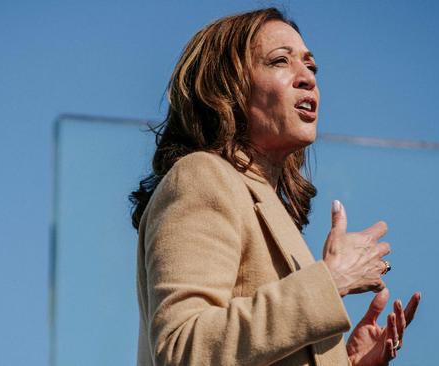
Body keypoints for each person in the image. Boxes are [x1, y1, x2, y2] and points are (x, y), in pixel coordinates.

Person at [130, 8, 420, 366]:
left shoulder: (270, 206)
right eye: (280, 61)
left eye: (311, 67)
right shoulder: (202, 176)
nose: (307, 78)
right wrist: (330, 281)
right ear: (226, 87)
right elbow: (183, 349)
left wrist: (346, 361)